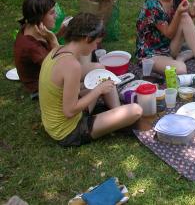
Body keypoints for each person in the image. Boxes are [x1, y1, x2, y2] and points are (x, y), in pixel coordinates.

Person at [39, 13, 142, 147]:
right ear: (87, 38)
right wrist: (98, 90)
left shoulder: (57, 50)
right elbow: (69, 111)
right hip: (67, 132)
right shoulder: (72, 66)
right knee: (136, 110)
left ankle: (117, 113)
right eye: (96, 43)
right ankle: (119, 117)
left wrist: (97, 87)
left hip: (54, 122)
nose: (95, 48)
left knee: (100, 71)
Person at [14, 0, 60, 94]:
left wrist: (59, 33)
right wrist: (53, 40)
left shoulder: (32, 28)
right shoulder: (31, 46)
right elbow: (60, 66)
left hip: (47, 73)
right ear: (39, 17)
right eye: (52, 13)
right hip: (40, 86)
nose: (56, 15)